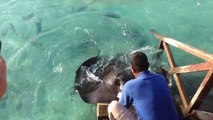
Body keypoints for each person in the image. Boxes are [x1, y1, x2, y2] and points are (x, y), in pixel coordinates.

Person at [108, 51, 179, 120]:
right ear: (148, 65)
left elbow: (123, 106)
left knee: (113, 106)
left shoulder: (130, 85)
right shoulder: (161, 78)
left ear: (132, 69)